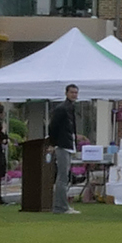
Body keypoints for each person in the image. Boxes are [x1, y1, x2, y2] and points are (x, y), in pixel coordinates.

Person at [44, 84, 81, 214]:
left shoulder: (70, 108)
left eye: (76, 93)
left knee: (64, 177)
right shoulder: (62, 108)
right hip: (62, 145)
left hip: (68, 144)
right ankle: (60, 207)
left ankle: (62, 205)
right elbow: (53, 126)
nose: (74, 95)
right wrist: (53, 143)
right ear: (66, 93)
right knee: (62, 177)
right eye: (72, 92)